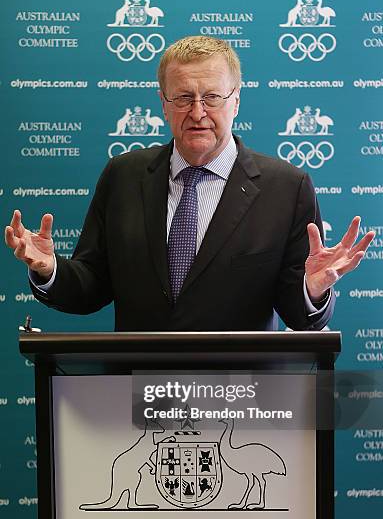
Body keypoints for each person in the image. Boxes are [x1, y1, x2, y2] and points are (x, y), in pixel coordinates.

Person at [4, 36, 374, 331]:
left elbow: (299, 315)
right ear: (163, 104)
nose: (197, 113)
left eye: (212, 97)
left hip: (244, 400)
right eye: (183, 98)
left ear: (236, 102)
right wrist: (49, 269)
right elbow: (90, 286)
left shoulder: (287, 187)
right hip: (140, 396)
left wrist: (311, 288)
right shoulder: (122, 176)